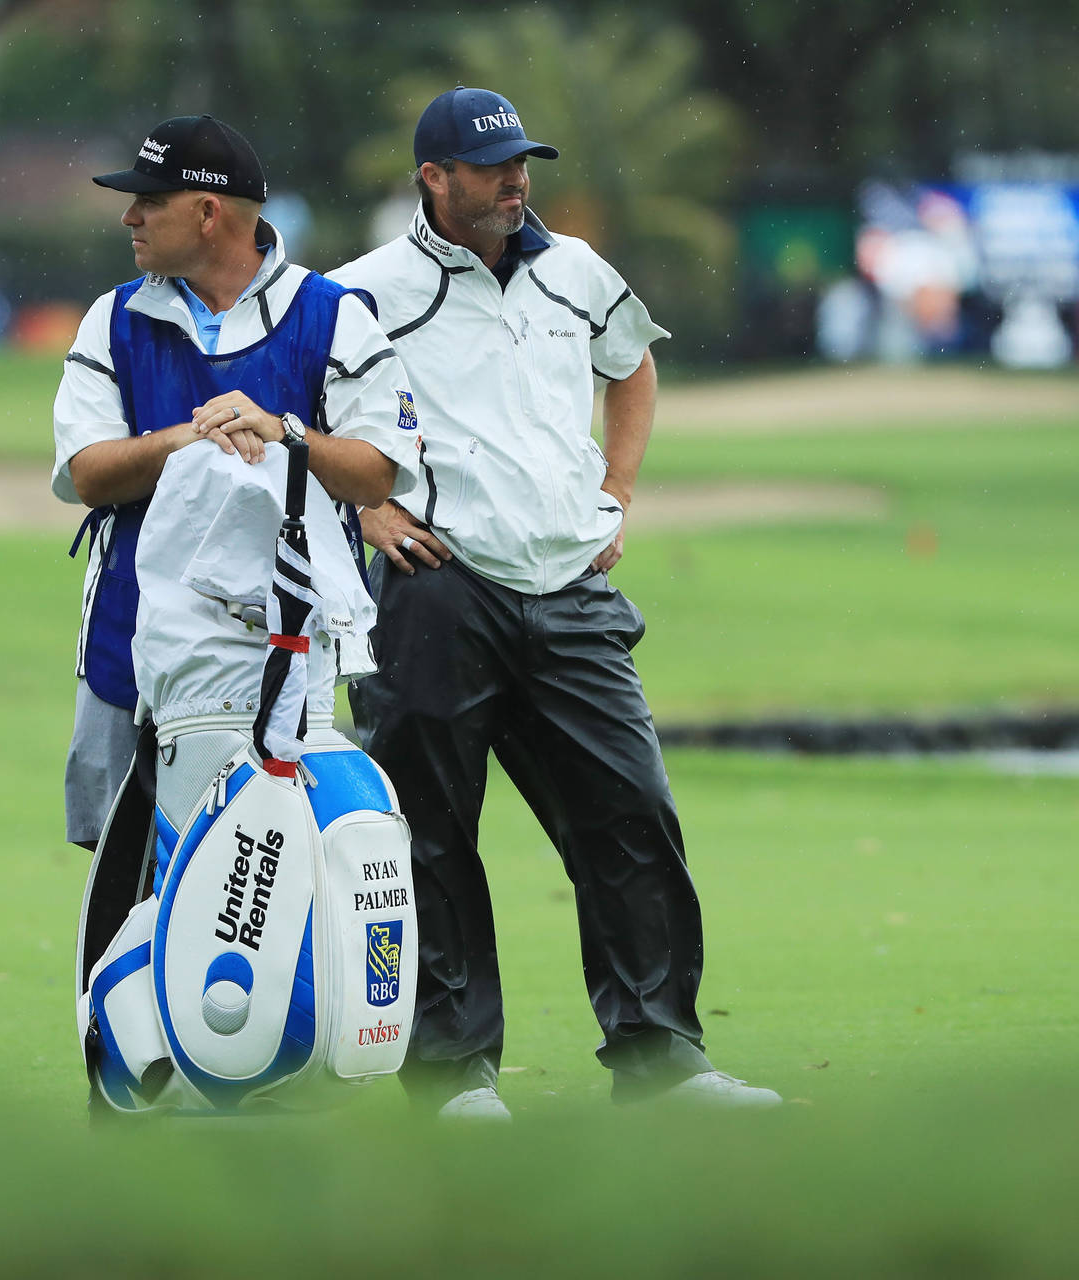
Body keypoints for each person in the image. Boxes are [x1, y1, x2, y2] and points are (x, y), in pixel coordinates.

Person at [332, 87, 780, 1119]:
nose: (513, 181)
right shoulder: (361, 291)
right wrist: (369, 513)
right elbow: (311, 418)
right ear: (432, 180)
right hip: (438, 590)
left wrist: (617, 488)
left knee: (632, 814)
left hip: (571, 588)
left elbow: (632, 368)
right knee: (431, 835)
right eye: (489, 167)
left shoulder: (577, 271)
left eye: (520, 162)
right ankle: (451, 1073)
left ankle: (662, 1056)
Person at [53, 113, 420, 850]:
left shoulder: (330, 316)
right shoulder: (114, 319)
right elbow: (88, 473)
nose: (130, 217)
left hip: (286, 648)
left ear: (208, 212)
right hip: (129, 635)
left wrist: (284, 432)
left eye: (149, 202)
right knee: (122, 875)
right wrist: (188, 438)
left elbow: (379, 470)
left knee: (270, 871)